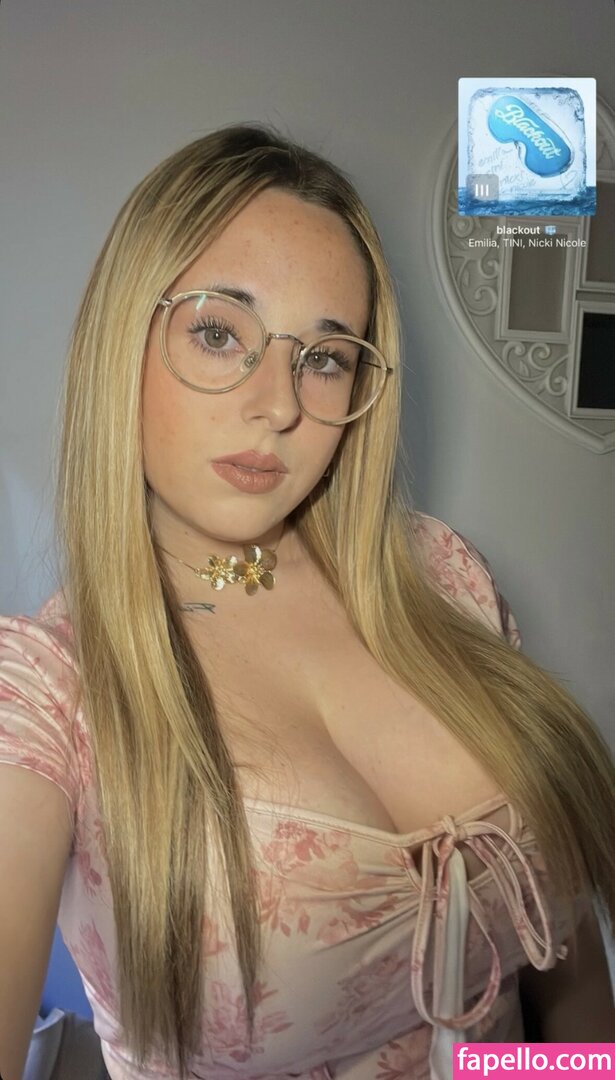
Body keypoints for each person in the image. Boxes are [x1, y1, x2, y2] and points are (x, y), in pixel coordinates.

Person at [0, 123, 614, 1080]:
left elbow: (558, 955)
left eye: (325, 357)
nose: (279, 405)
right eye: (218, 333)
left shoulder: (442, 574)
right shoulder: (47, 692)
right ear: (122, 340)